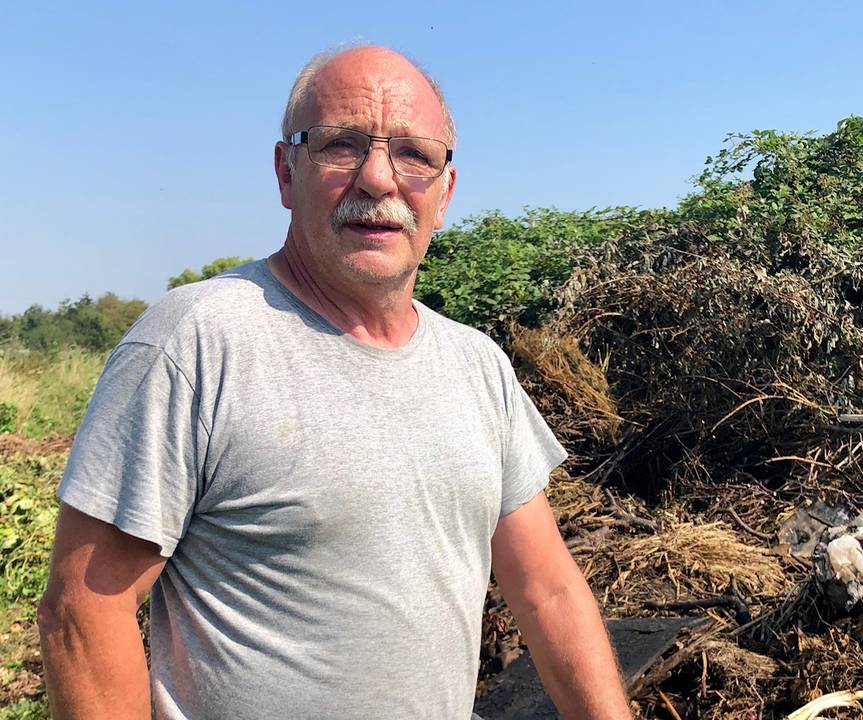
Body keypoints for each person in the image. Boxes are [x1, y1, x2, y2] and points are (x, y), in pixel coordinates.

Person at [37, 45, 632, 720]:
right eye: (342, 145)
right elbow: (83, 610)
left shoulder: (476, 366)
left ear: (446, 191)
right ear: (285, 171)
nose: (378, 179)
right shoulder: (195, 342)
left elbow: (547, 589)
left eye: (413, 154)